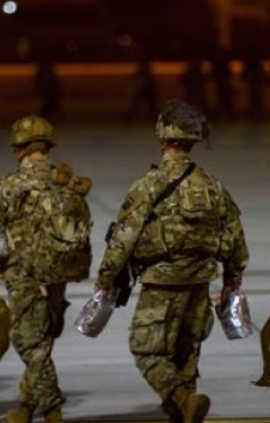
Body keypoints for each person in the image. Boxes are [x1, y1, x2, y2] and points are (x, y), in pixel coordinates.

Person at [94, 100, 248, 423]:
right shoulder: (213, 186)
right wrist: (232, 282)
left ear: (163, 139)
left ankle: (181, 398)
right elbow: (235, 238)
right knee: (186, 356)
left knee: (146, 351)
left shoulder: (148, 185)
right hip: (199, 283)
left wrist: (106, 279)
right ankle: (185, 407)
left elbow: (123, 238)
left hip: (161, 284)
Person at [0, 115, 93, 423]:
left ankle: (52, 408)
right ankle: (24, 406)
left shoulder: (11, 186)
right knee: (42, 339)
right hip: (58, 273)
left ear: (19, 149)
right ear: (48, 146)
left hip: (25, 274)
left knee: (27, 341)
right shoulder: (68, 182)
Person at [126, 59, 159, 123]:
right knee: (138, 105)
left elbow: (152, 84)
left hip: (146, 91)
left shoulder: (145, 75)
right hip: (143, 91)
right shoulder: (143, 74)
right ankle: (130, 117)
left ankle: (130, 117)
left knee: (150, 106)